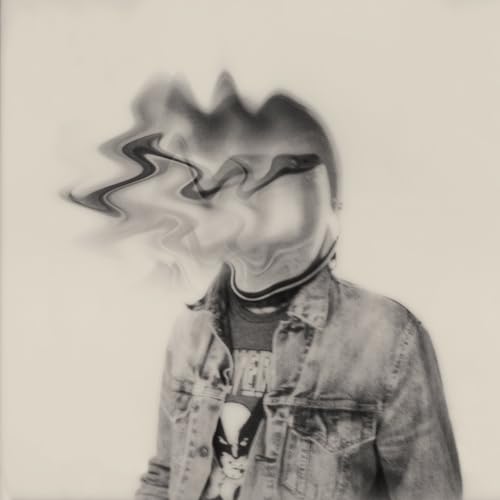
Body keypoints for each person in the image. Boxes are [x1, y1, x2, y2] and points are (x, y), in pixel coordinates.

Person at [134, 92, 462, 500]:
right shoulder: (191, 330)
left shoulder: (389, 337)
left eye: (258, 176)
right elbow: (164, 475)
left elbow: (429, 492)